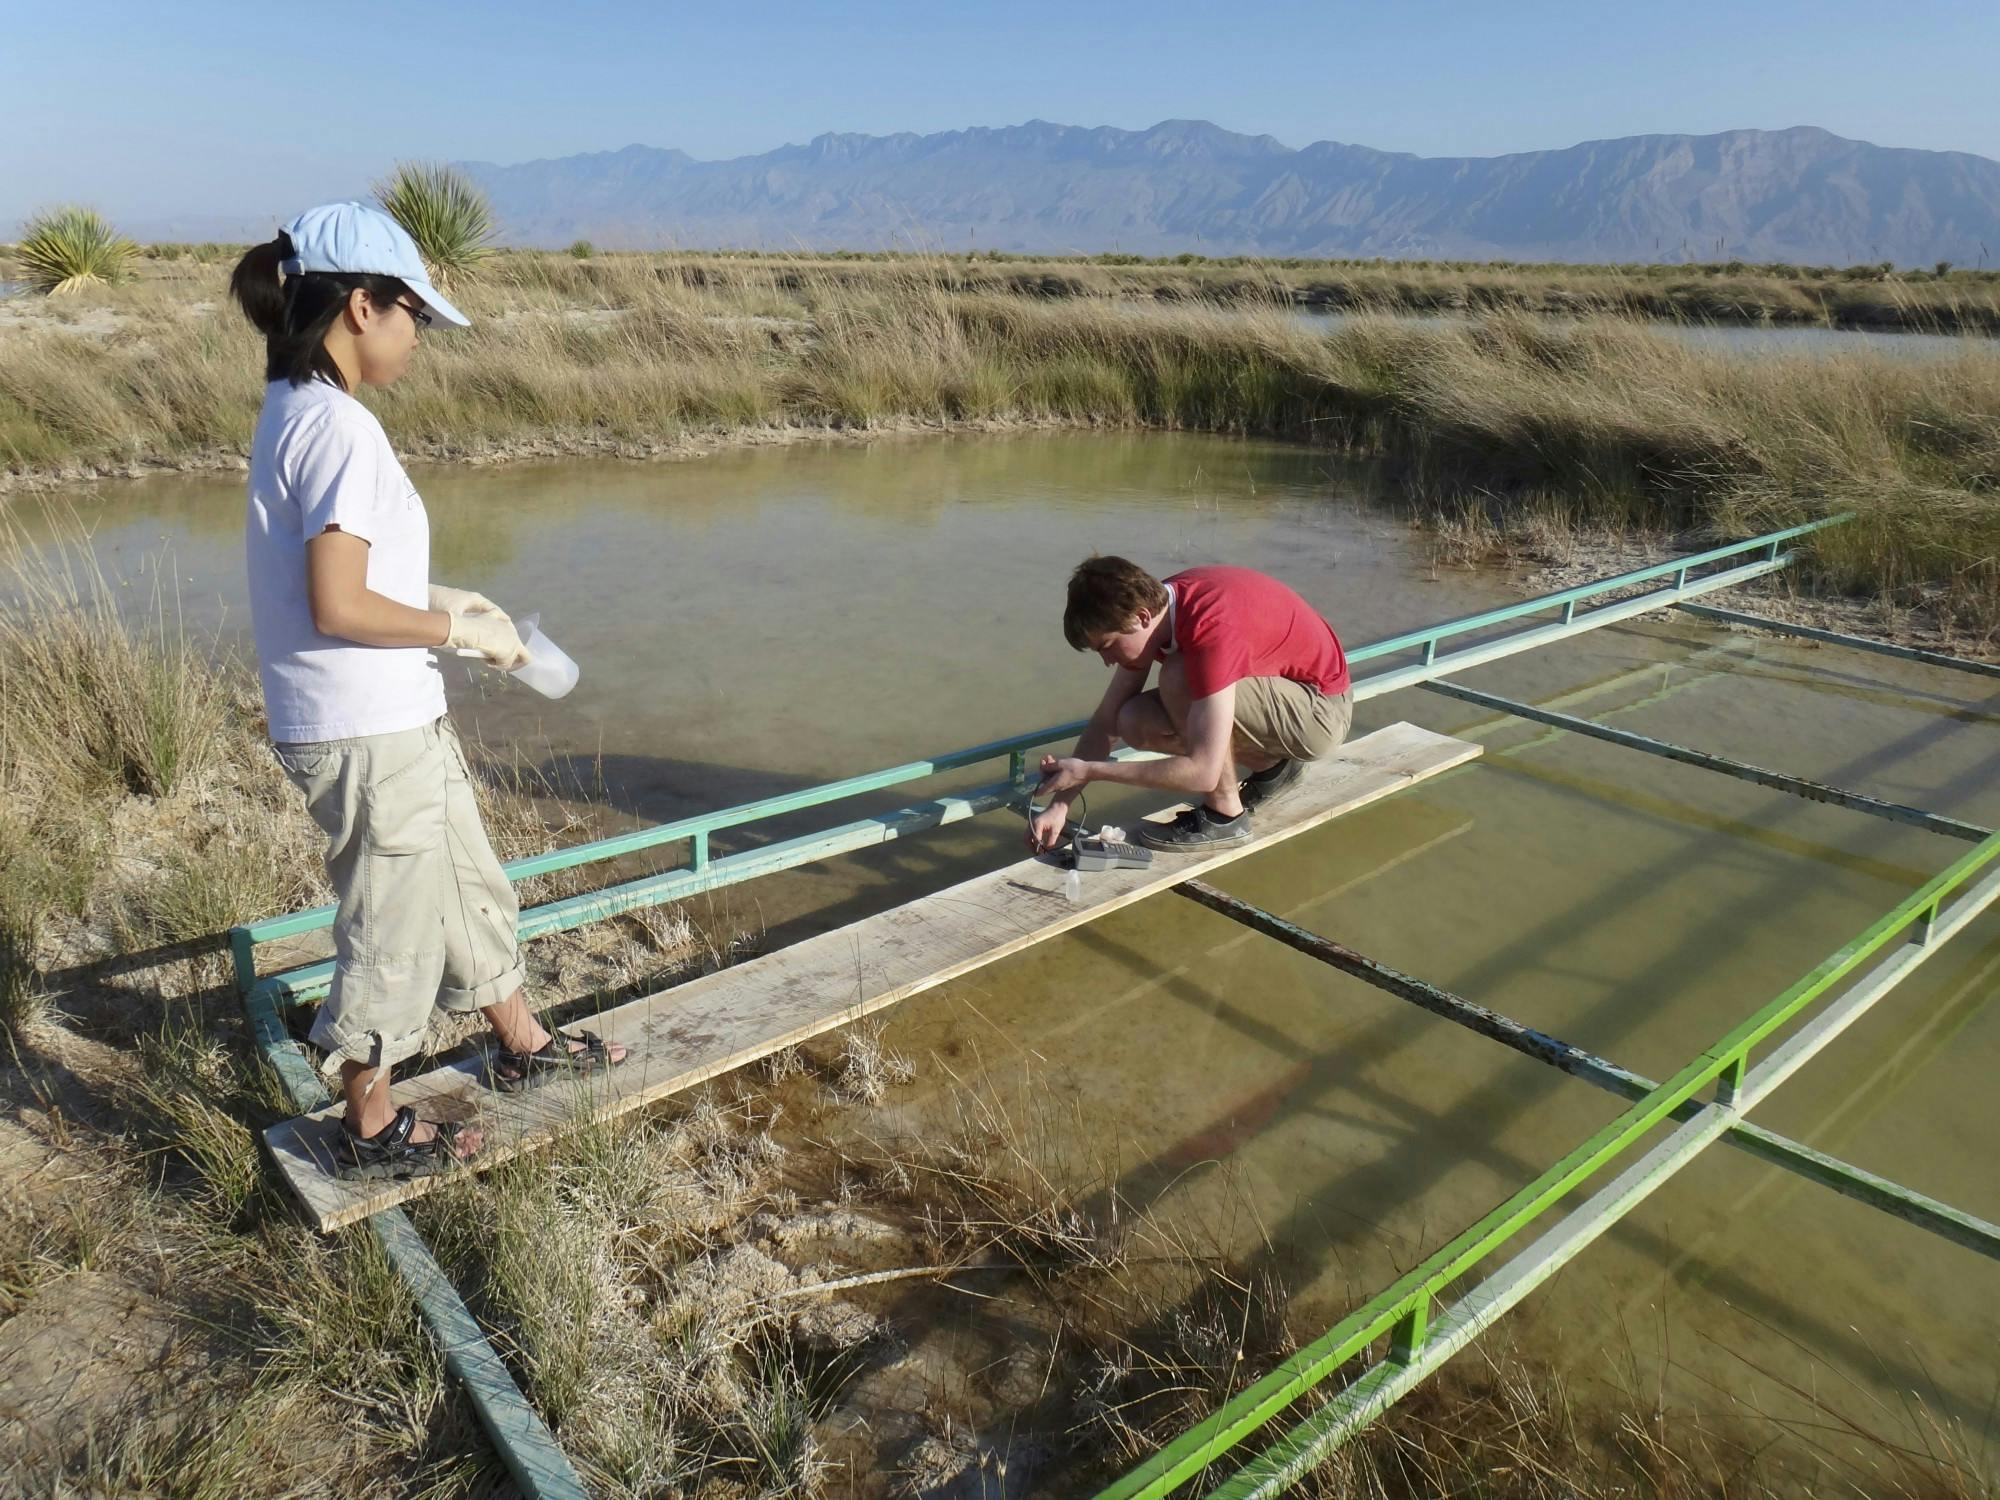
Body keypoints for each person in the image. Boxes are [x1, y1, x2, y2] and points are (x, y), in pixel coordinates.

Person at [230, 202, 625, 1182]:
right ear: (361, 307)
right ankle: (366, 1126)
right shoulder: (339, 429)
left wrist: (447, 601)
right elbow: (338, 602)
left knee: (462, 883)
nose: (420, 336)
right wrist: (456, 631)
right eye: (414, 314)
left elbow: (335, 579)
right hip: (365, 727)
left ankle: (522, 1043)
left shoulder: (299, 408)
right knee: (393, 927)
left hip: (390, 715)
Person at [1027, 556, 1353, 854]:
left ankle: (1225, 817)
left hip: (1321, 713)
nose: (1107, 661)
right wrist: (1060, 805)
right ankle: (1274, 770)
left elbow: (1203, 773)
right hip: (1281, 694)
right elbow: (1106, 722)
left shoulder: (1209, 628)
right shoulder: (1155, 612)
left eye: (1108, 646)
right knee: (1133, 719)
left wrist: (1090, 771)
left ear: (1141, 617)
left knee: (1178, 675)